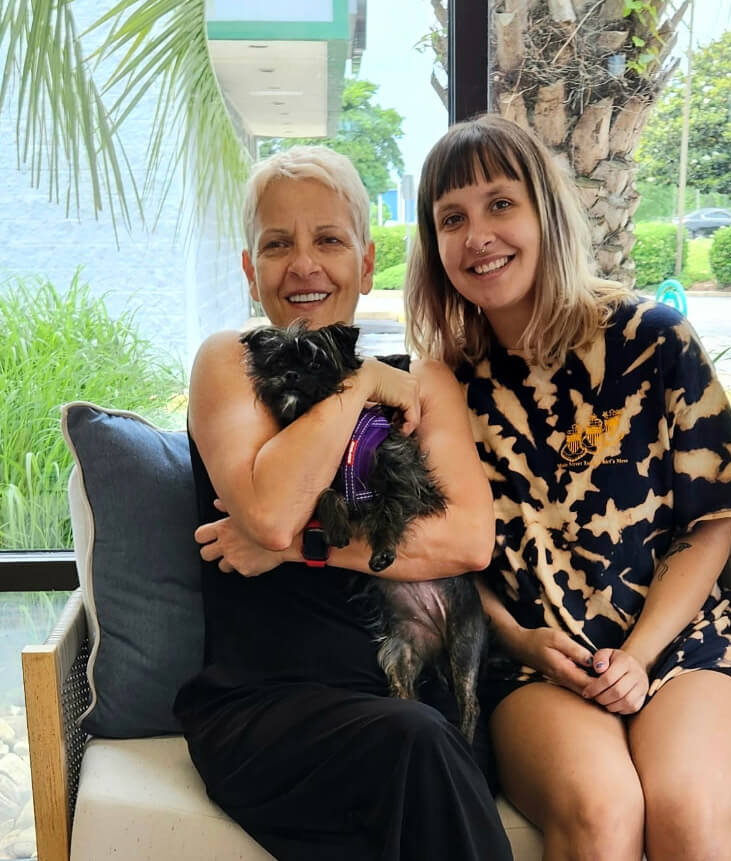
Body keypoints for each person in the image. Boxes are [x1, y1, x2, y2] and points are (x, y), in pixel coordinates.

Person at [404, 113, 731, 861]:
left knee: (686, 810)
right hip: (535, 663)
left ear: (544, 211)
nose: (477, 235)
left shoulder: (653, 339)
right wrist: (521, 637)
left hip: (685, 648)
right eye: (451, 217)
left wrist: (637, 655)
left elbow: (710, 524)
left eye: (500, 204)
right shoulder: (442, 387)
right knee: (602, 813)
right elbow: (448, 559)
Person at [173, 144, 514, 861]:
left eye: (328, 239)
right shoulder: (226, 363)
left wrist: (304, 548)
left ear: (364, 263)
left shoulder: (428, 380)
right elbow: (268, 509)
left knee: (424, 740)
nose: (303, 264)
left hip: (412, 699)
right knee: (416, 746)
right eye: (277, 244)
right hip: (266, 707)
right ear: (249, 269)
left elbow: (468, 540)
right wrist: (355, 381)